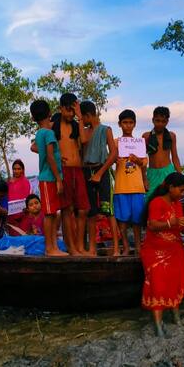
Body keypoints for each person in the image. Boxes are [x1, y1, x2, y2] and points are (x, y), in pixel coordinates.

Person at [141, 172, 184, 337]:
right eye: (181, 190)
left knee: (175, 283)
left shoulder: (177, 204)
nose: (183, 194)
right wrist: (173, 222)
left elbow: (180, 226)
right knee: (158, 286)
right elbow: (153, 225)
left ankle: (176, 318)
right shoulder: (156, 202)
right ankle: (158, 325)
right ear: (171, 188)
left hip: (174, 249)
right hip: (155, 251)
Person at [77, 100, 118, 256]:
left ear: (88, 115)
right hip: (87, 171)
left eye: (83, 117)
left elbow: (113, 153)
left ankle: (115, 249)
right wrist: (80, 122)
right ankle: (92, 249)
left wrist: (101, 173)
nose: (82, 120)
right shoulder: (85, 132)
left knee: (109, 210)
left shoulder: (105, 130)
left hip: (103, 170)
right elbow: (83, 142)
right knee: (91, 212)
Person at [30, 99, 68, 256]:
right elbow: (50, 157)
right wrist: (59, 179)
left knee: (52, 213)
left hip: (49, 177)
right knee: (50, 213)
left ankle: (53, 247)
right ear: (50, 114)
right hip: (49, 178)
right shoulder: (49, 133)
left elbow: (48, 154)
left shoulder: (40, 133)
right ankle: (50, 247)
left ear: (33, 118)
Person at [54, 93, 90, 256]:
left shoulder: (76, 124)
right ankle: (72, 248)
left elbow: (83, 140)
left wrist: (80, 116)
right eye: (67, 110)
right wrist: (55, 157)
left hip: (78, 170)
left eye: (72, 111)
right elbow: (36, 146)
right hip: (64, 170)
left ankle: (80, 245)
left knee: (83, 209)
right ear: (61, 108)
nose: (70, 114)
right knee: (67, 209)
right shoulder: (53, 125)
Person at [113, 109, 148, 255]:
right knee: (122, 219)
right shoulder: (115, 142)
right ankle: (126, 246)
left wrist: (137, 160)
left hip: (137, 187)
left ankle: (139, 247)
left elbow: (144, 164)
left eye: (130, 123)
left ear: (134, 124)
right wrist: (115, 159)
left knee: (137, 220)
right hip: (121, 186)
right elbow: (110, 159)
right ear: (119, 124)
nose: (128, 126)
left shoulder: (140, 142)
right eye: (125, 123)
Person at [143, 106, 181, 198]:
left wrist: (180, 176)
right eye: (157, 120)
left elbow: (175, 157)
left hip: (168, 172)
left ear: (167, 121)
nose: (160, 124)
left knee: (170, 198)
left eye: (163, 121)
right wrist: (144, 178)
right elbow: (142, 159)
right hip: (152, 172)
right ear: (153, 120)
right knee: (150, 198)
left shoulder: (171, 136)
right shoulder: (146, 136)